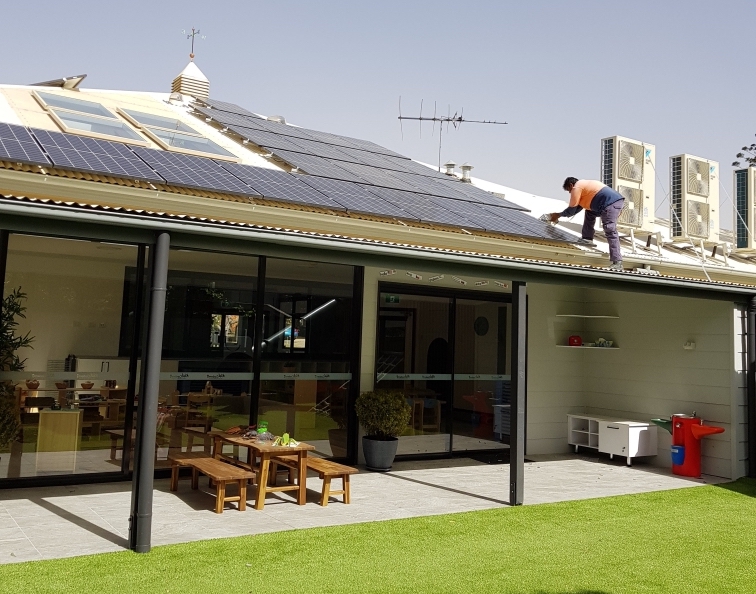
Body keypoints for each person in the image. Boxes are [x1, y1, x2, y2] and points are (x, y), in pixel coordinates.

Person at [545, 177, 625, 271]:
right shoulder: (584, 187)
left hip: (611, 203)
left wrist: (558, 215)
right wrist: (559, 215)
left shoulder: (577, 187)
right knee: (589, 212)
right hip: (607, 203)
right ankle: (587, 239)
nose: (570, 193)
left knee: (609, 229)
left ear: (571, 185)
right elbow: (576, 209)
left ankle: (617, 261)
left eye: (569, 190)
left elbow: (571, 210)